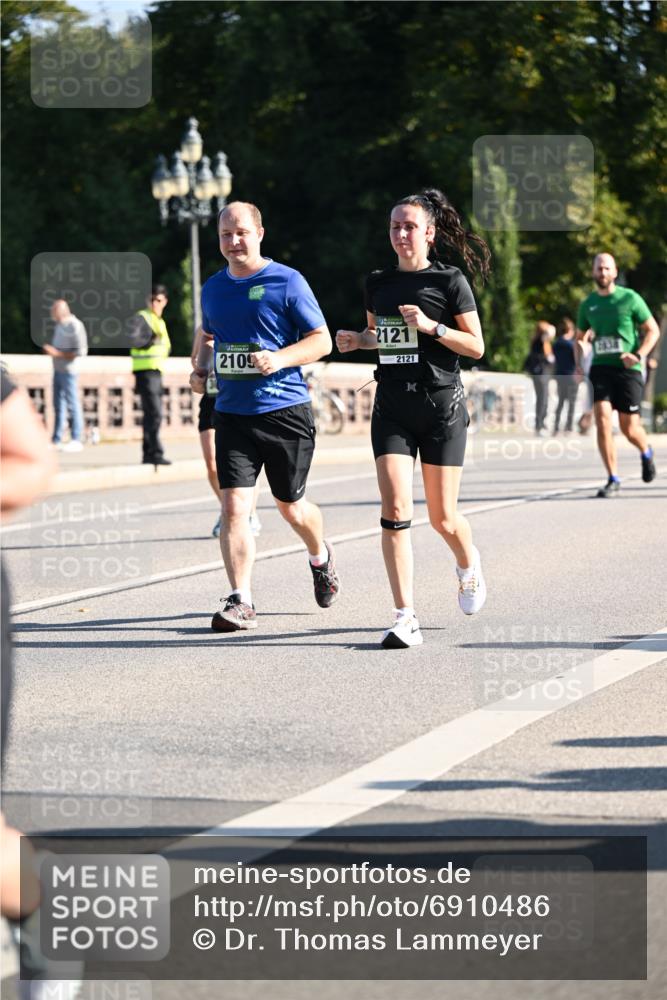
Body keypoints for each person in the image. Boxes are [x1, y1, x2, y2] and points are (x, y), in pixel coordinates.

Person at [336, 187, 489, 649]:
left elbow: (477, 347)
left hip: (441, 406)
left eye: (409, 226)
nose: (401, 234)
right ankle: (405, 616)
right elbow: (379, 336)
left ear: (429, 232)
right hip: (393, 408)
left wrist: (431, 327)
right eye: (394, 226)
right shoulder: (378, 282)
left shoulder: (449, 281)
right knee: (396, 510)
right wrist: (358, 342)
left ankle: (468, 565)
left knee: (443, 519)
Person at [189, 201, 340, 631]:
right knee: (235, 506)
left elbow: (321, 340)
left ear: (259, 233)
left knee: (291, 507)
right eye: (225, 235)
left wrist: (280, 358)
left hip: (284, 410)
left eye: (241, 233)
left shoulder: (287, 281)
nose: (233, 242)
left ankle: (320, 556)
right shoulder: (214, 287)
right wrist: (200, 370)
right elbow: (209, 333)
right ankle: (241, 599)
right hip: (232, 412)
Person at [576, 252, 660, 497]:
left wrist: (639, 354)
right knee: (602, 418)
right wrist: (579, 362)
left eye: (606, 268)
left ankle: (646, 451)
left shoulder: (630, 298)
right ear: (593, 272)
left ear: (614, 271)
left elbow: (652, 330)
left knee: (629, 428)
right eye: (598, 268)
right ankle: (613, 478)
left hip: (628, 369)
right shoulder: (588, 304)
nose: (602, 273)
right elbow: (580, 338)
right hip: (601, 368)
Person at [190, 325, 262, 539]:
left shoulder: (240, 320)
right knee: (212, 464)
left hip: (238, 398)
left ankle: (248, 514)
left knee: (246, 462)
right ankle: (231, 511)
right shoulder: (202, 329)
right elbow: (195, 361)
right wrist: (199, 376)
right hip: (211, 400)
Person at [130, 284, 172, 466]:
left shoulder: (159, 321)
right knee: (154, 413)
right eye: (152, 299)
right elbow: (134, 340)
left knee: (151, 414)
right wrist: (150, 339)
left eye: (159, 300)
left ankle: (148, 453)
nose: (155, 303)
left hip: (155, 371)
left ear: (165, 302)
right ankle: (155, 453)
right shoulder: (143, 317)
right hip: (146, 371)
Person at [43, 299, 87, 452]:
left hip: (69, 371)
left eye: (54, 311)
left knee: (72, 404)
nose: (52, 314)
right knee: (58, 406)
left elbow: (80, 351)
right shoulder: (59, 326)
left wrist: (57, 353)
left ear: (61, 310)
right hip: (58, 370)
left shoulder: (75, 325)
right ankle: (57, 439)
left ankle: (76, 438)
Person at [524, 320, 555, 436]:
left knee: (541, 398)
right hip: (542, 373)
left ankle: (540, 423)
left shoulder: (535, 339)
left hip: (536, 373)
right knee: (543, 399)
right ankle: (540, 424)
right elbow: (548, 354)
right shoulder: (543, 339)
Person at [552, 317, 579, 434]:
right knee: (571, 403)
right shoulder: (572, 345)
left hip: (559, 374)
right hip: (571, 375)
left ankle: (556, 426)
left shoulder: (556, 344)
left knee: (561, 401)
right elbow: (577, 360)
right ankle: (568, 426)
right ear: (570, 330)